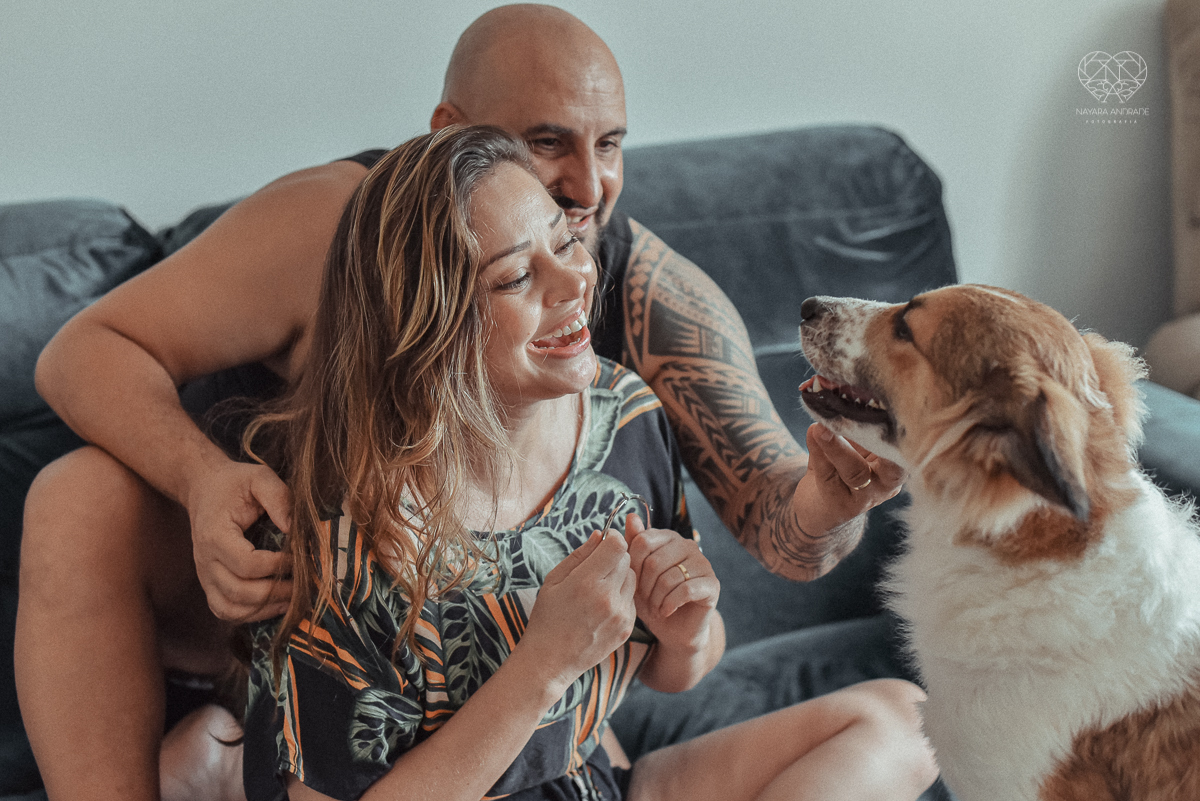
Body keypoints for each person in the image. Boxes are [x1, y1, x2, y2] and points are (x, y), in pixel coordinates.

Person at [15, 5, 907, 801]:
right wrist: (206, 482)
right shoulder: (329, 233)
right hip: (285, 598)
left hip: (527, 699)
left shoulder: (638, 331)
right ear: (452, 130)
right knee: (77, 495)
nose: (589, 189)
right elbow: (83, 354)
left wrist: (835, 493)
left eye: (610, 145)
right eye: (548, 142)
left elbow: (779, 529)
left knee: (900, 721)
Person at [238, 123, 934, 801]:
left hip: (589, 778)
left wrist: (685, 630)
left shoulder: (622, 411)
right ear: (428, 327)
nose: (573, 281)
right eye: (515, 276)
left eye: (566, 241)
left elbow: (675, 667)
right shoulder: (354, 534)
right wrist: (539, 667)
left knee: (907, 722)